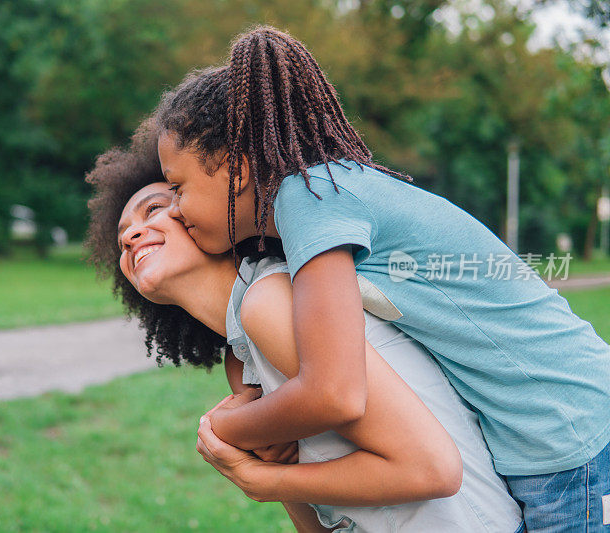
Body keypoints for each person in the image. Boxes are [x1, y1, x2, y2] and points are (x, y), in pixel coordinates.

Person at [152, 26, 610, 530]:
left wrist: (222, 429)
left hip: (568, 435)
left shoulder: (310, 199)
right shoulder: (322, 197)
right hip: (548, 439)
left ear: (234, 168)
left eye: (177, 187)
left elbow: (335, 393)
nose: (174, 208)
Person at [87, 162, 523, 530]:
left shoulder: (271, 301)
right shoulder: (241, 359)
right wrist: (268, 458)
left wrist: (257, 474)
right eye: (123, 234)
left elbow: (432, 469)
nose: (130, 236)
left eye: (157, 208)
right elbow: (318, 522)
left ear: (204, 215)